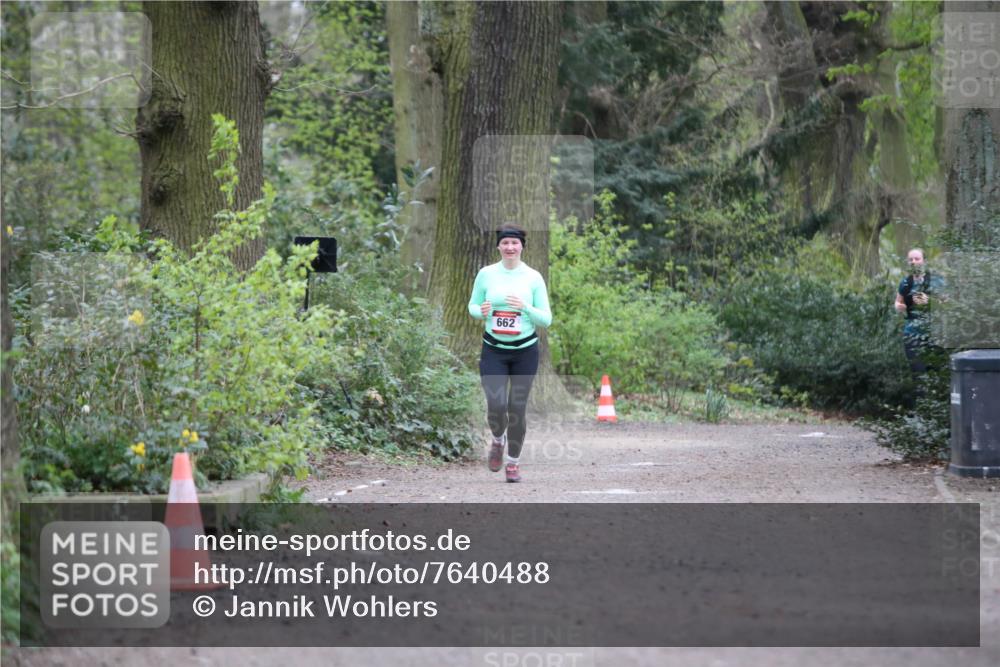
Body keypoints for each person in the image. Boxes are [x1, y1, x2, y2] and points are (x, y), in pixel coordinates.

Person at [467, 223, 551, 483]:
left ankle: (513, 463)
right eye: (505, 243)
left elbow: (546, 319)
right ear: (499, 246)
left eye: (515, 243)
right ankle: (497, 440)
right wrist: (480, 311)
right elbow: (472, 305)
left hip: (525, 352)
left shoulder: (533, 277)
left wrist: (525, 307)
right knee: (496, 406)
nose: (510, 247)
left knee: (516, 408)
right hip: (493, 350)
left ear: (522, 246)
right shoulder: (486, 274)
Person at [894, 248, 942, 376]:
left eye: (917, 259)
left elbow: (948, 304)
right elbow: (898, 301)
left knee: (935, 374)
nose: (913, 262)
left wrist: (930, 301)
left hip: (934, 335)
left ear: (924, 261)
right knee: (919, 375)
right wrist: (899, 306)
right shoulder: (905, 282)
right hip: (912, 335)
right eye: (910, 260)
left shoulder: (936, 280)